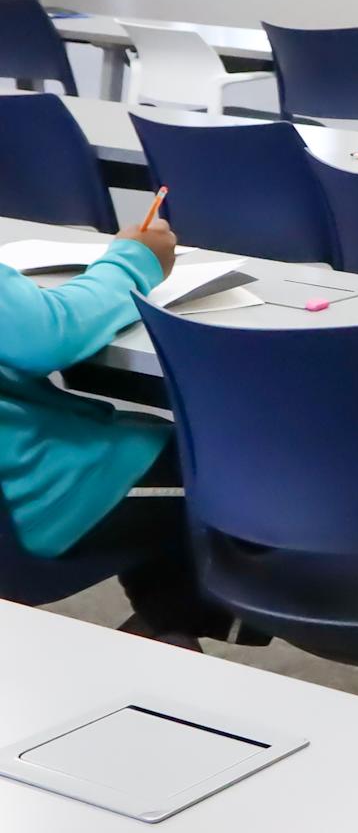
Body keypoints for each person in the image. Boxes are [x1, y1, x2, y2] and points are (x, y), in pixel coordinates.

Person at [1, 219, 236, 647]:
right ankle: (166, 642)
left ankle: (162, 639)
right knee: (237, 467)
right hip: (36, 507)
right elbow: (45, 335)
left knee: (157, 448)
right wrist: (134, 261)